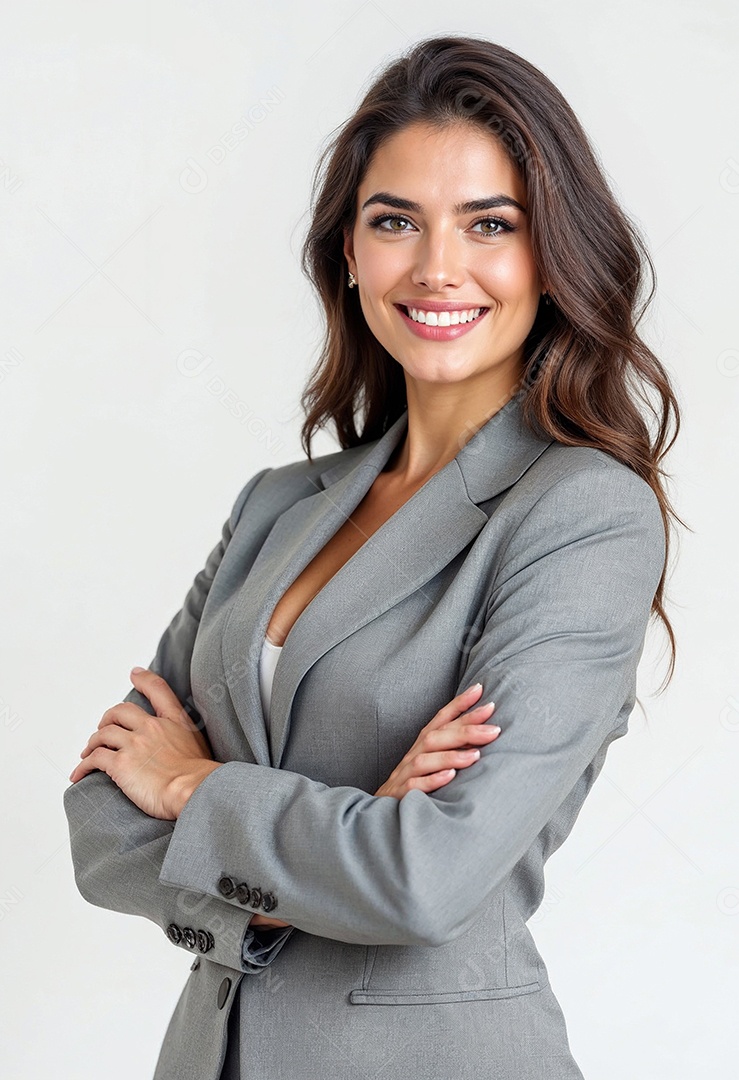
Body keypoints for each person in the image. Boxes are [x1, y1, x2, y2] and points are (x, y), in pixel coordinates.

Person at [64, 34, 682, 1080]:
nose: (437, 267)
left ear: (551, 254)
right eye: (394, 221)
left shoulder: (584, 514)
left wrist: (193, 790)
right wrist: (309, 867)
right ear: (347, 255)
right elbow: (97, 825)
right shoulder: (276, 507)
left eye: (490, 225)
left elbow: (424, 881)